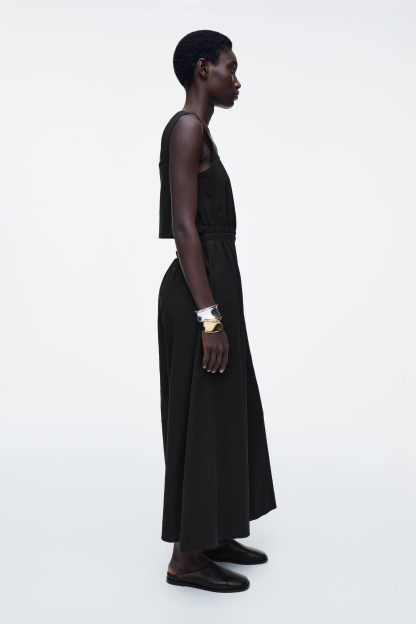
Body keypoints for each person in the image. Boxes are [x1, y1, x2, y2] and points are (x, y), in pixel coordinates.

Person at [157, 30, 277, 593]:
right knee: (200, 417)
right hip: (196, 295)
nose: (237, 79)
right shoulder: (186, 127)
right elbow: (184, 229)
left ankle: (212, 531)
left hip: (215, 284)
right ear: (203, 68)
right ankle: (186, 558)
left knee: (225, 410)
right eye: (231, 67)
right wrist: (209, 317)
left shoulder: (200, 131)